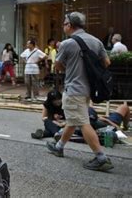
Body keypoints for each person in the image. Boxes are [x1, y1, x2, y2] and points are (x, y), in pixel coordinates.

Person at [46, 11, 113, 172]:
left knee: (82, 122)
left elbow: (58, 66)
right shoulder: (96, 41)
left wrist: (74, 68)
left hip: (74, 88)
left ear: (69, 25)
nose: (63, 26)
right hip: (89, 89)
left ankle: (101, 157)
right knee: (73, 118)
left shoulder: (67, 43)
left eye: (64, 23)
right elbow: (106, 62)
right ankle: (59, 146)